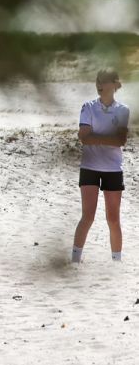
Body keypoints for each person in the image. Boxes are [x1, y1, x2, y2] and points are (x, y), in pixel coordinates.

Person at [72, 69, 129, 263]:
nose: (99, 85)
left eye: (104, 81)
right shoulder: (88, 107)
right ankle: (75, 260)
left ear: (114, 84)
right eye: (98, 81)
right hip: (89, 167)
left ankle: (116, 262)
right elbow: (84, 137)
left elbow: (120, 140)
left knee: (113, 219)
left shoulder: (122, 110)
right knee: (87, 217)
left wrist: (95, 137)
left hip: (113, 169)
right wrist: (108, 139)